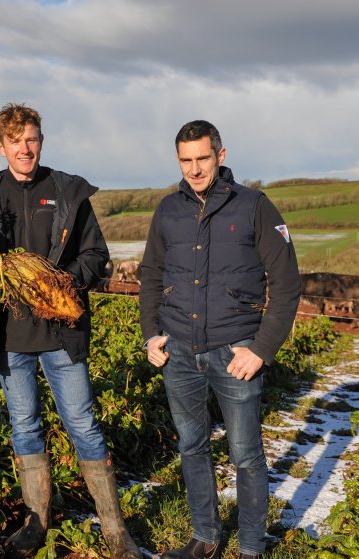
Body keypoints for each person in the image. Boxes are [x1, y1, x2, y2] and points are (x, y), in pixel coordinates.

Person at [0, 103, 141, 559]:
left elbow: (95, 254)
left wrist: (59, 283)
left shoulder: (66, 192)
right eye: (16, 141)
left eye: (33, 139)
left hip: (60, 334)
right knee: (24, 427)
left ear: (41, 141)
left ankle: (115, 531)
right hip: (11, 339)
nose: (26, 149)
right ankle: (34, 525)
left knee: (83, 424)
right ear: (0, 146)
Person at [139, 120, 301, 559]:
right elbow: (151, 274)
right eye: (186, 160)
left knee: (245, 453)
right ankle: (205, 538)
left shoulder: (254, 206)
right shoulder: (168, 210)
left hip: (235, 352)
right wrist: (151, 333)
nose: (194, 169)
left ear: (221, 156)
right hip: (177, 352)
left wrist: (261, 349)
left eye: (203, 158)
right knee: (191, 447)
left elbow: (286, 284)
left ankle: (251, 546)